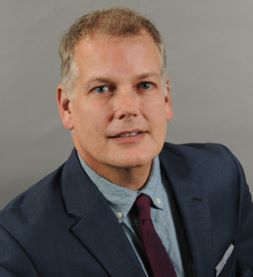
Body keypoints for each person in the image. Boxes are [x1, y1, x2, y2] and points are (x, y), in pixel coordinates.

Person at [0, 7, 252, 277]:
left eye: (144, 85)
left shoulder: (222, 175)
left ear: (166, 99)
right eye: (102, 89)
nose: (128, 108)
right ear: (66, 107)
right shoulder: (18, 242)